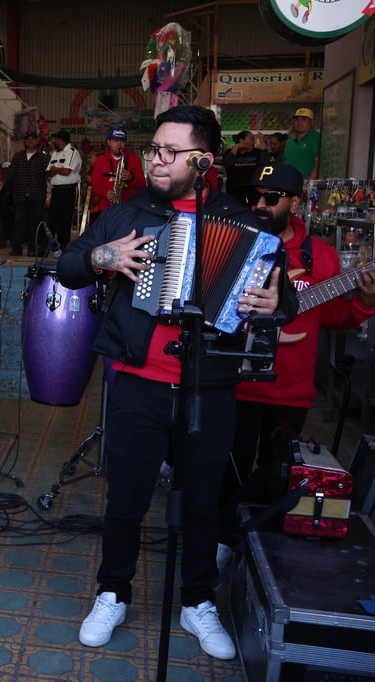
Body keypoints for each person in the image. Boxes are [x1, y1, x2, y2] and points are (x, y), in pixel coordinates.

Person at [57, 105, 297, 661]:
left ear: (204, 160)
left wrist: (273, 304)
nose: (156, 161)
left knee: (203, 501)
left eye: (170, 153)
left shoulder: (246, 224)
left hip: (208, 385)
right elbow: (69, 266)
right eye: (153, 150)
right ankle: (112, 591)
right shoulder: (125, 214)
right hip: (138, 379)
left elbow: (278, 297)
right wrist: (102, 255)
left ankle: (197, 600)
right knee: (126, 497)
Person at [218, 163, 375, 552]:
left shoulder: (319, 256)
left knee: (277, 475)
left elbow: (334, 316)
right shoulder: (238, 241)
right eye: (254, 197)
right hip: (234, 382)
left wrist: (367, 301)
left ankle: (257, 552)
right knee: (226, 472)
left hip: (290, 391)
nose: (259, 204)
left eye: (270, 198)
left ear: (295, 201)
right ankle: (218, 544)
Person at [0, 132, 48, 257]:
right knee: (18, 222)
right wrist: (2, 184)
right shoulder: (18, 157)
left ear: (37, 142)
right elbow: (10, 174)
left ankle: (32, 248)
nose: (30, 141)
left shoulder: (43, 158)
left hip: (37, 195)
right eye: (28, 139)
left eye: (33, 139)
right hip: (20, 195)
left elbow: (48, 175)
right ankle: (16, 248)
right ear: (25, 142)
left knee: (35, 223)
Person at [89, 127, 145, 222]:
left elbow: (142, 185)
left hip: (129, 208)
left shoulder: (134, 159)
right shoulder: (100, 161)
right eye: (115, 141)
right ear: (108, 142)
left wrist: (131, 178)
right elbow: (95, 185)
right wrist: (106, 193)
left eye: (122, 141)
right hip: (106, 209)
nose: (119, 144)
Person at [45, 129, 82, 250]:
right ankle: (49, 243)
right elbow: (48, 172)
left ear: (61, 140)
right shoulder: (55, 153)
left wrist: (55, 169)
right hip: (56, 189)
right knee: (53, 217)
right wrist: (56, 169)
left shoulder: (73, 152)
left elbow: (66, 172)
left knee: (66, 218)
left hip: (68, 189)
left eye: (56, 139)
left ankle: (63, 244)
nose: (54, 141)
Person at [221, 131, 270, 206]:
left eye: (254, 139)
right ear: (241, 141)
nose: (254, 142)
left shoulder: (257, 152)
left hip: (252, 190)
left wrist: (263, 143)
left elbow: (266, 164)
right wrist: (236, 147)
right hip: (234, 190)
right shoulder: (231, 152)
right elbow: (227, 163)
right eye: (251, 139)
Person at [284, 107, 320, 180]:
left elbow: (317, 165)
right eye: (297, 119)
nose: (299, 122)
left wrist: (307, 186)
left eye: (304, 119)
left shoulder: (316, 138)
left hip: (306, 186)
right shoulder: (289, 142)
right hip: (289, 184)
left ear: (311, 122)